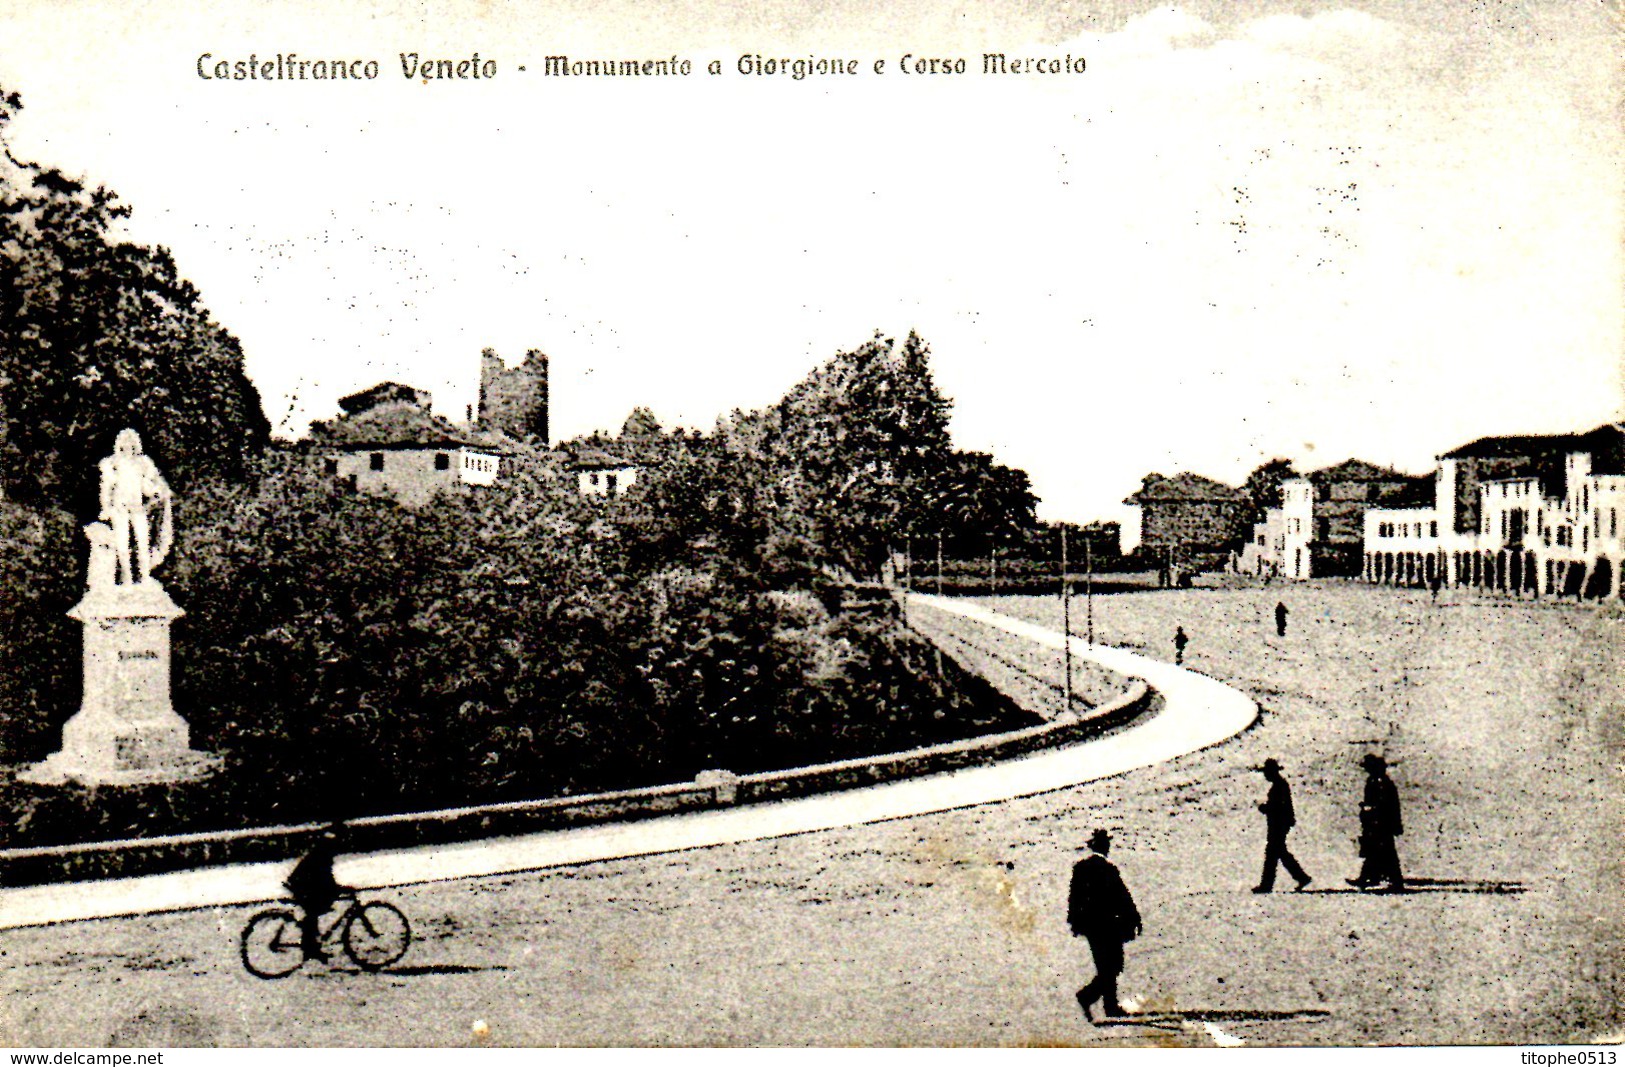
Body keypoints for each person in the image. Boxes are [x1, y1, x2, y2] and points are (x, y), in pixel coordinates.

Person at [1067, 829, 1142, 1024]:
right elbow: (1122, 896)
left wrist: (1075, 922)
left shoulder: (1080, 868)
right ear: (1104, 846)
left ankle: (1109, 1005)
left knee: (1104, 965)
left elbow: (1074, 898)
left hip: (1091, 927)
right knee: (1114, 965)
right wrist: (1134, 918)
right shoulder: (1108, 868)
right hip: (1109, 924)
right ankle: (1090, 997)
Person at [98, 428, 173, 586]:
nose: (128, 445)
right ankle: (126, 577)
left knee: (143, 542)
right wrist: (106, 507)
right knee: (122, 543)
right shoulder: (113, 463)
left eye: (131, 442)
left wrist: (158, 491)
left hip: (138, 507)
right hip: (120, 508)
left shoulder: (143, 463)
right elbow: (107, 488)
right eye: (125, 442)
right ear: (119, 444)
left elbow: (148, 485)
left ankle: (144, 576)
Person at [286, 824, 351, 961]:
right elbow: (323, 874)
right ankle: (309, 947)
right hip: (302, 883)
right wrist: (337, 888)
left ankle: (311, 946)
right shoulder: (326, 849)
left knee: (315, 911)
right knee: (315, 908)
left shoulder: (324, 845)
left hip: (302, 881)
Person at [1253, 758, 1311, 893]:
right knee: (1278, 853)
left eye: (1267, 773)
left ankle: (1268, 885)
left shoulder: (1279, 786)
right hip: (1280, 823)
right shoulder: (1280, 785)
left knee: (1274, 853)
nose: (1265, 775)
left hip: (1279, 824)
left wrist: (1263, 808)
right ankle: (1301, 877)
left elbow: (1277, 807)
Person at [1348, 755, 1405, 891]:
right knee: (1377, 851)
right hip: (1376, 822)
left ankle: (1387, 881)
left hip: (1381, 823)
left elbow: (1388, 805)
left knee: (1384, 852)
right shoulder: (1375, 781)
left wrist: (1370, 809)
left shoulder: (1382, 783)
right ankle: (1369, 879)